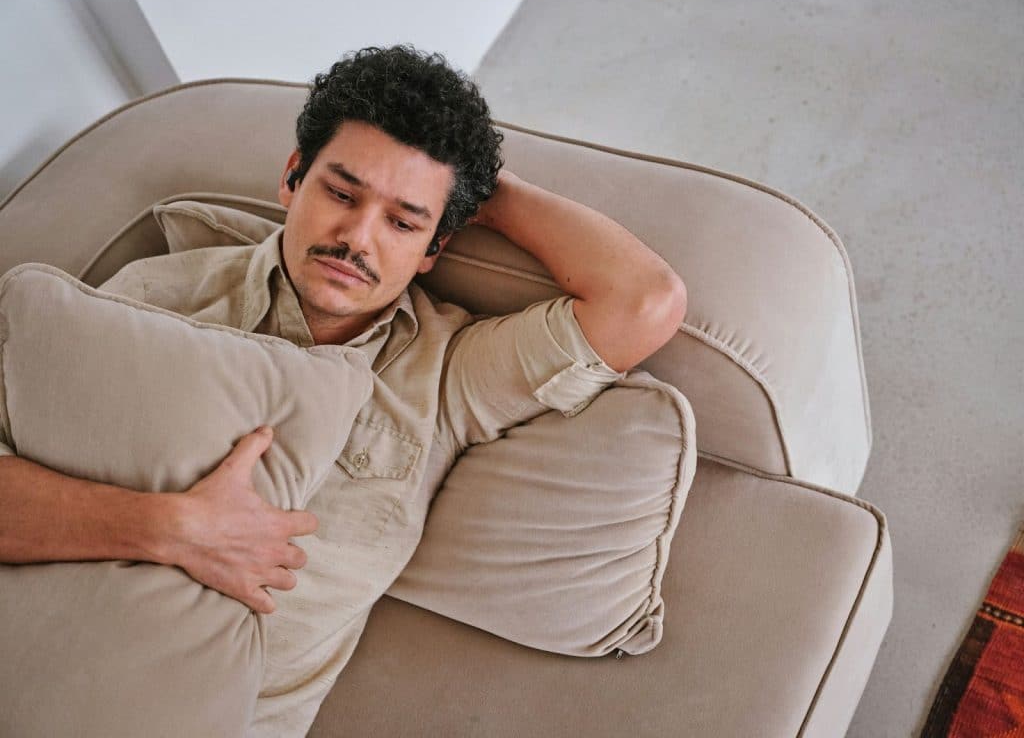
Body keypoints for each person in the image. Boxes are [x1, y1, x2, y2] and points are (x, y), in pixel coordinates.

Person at [0, 44, 686, 735]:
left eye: (402, 221)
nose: (356, 238)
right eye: (341, 192)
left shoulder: (448, 377)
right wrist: (169, 529)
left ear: (435, 248)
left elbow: (644, 301)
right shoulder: (154, 298)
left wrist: (476, 187)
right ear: (292, 179)